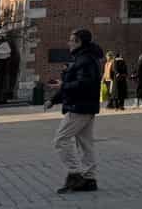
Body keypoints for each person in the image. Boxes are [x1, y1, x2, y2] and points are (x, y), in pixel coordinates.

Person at [48, 27, 104, 194]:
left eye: (71, 40)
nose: (68, 43)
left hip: (79, 107)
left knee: (61, 140)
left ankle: (75, 174)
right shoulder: (86, 58)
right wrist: (54, 98)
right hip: (86, 106)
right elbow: (78, 82)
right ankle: (89, 179)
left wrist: (63, 85)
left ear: (79, 42)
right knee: (86, 144)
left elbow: (85, 84)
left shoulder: (85, 59)